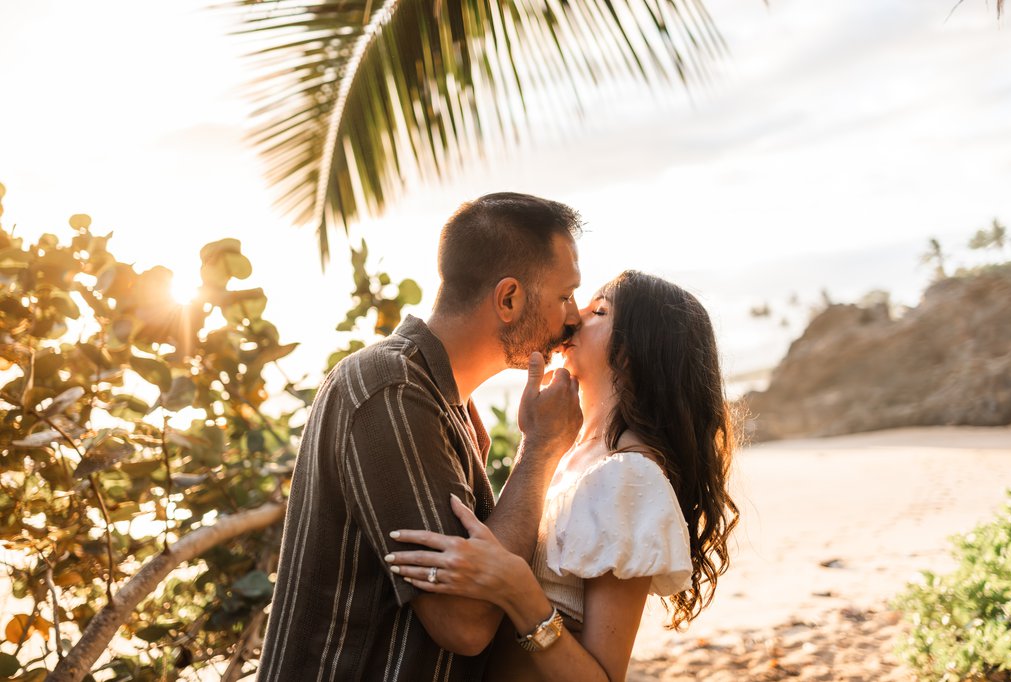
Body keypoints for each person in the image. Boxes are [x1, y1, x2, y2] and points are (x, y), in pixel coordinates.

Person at [257, 192, 586, 681]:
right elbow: (463, 623)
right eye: (565, 296)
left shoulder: (441, 400)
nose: (574, 316)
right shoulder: (391, 390)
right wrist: (540, 447)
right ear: (509, 298)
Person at [387, 270, 740, 681]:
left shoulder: (627, 477)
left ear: (631, 351)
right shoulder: (574, 454)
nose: (573, 318)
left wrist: (519, 592)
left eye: (599, 311)